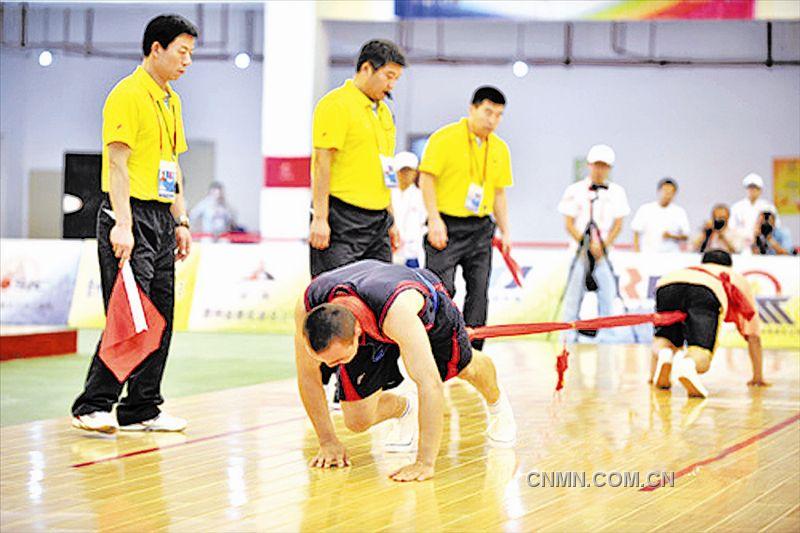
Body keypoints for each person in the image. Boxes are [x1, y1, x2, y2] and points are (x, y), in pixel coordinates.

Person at [71, 14, 197, 434]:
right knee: (130, 314)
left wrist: (181, 219)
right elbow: (117, 163)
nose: (187, 61)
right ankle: (93, 403)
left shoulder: (171, 100)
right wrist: (122, 225)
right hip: (127, 214)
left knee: (160, 314)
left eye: (191, 53)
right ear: (156, 49)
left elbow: (172, 166)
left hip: (161, 217)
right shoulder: (126, 94)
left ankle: (143, 407)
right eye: (181, 52)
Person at [294, 260, 516, 482]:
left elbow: (429, 384)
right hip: (366, 311)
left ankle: (499, 407)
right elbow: (307, 375)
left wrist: (424, 462)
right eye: (327, 362)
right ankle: (404, 409)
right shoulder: (306, 307)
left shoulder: (398, 314)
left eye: (339, 360)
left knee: (466, 369)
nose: (332, 367)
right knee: (357, 420)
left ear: (356, 332)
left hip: (425, 310)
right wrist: (327, 441)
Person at [418, 86, 513, 350]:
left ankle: (473, 353)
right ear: (472, 108)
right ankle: (439, 349)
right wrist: (434, 219)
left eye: (499, 115)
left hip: (481, 228)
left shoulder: (500, 149)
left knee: (479, 292)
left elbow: (499, 194)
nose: (492, 119)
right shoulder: (444, 138)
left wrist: (506, 232)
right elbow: (426, 179)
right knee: (441, 289)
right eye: (488, 112)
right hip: (446, 224)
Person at [309, 39, 406, 278]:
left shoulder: (384, 113)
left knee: (380, 297)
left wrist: (391, 218)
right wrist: (320, 218)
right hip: (341, 219)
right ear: (366, 68)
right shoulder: (336, 105)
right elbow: (322, 164)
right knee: (336, 299)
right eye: (388, 76)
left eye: (396, 79)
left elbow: (385, 170)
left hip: (378, 221)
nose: (392, 85)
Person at [650, 249, 769, 398]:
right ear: (729, 266)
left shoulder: (690, 270)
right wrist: (758, 377)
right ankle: (689, 365)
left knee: (665, 337)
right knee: (701, 351)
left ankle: (664, 354)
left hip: (668, 284)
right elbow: (754, 334)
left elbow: (658, 329)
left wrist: (652, 375)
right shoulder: (736, 277)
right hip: (705, 290)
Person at [557, 144, 630, 343]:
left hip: (604, 254)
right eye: (596, 165)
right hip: (579, 252)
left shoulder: (617, 192)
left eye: (604, 166)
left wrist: (603, 246)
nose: (599, 170)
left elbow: (618, 224)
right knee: (572, 297)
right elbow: (569, 223)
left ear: (609, 168)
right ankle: (568, 338)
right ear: (589, 165)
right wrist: (585, 243)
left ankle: (607, 338)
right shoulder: (575, 190)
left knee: (608, 295)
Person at [631, 177, 690, 253]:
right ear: (659, 191)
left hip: (671, 255)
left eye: (671, 192)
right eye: (665, 190)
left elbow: (686, 235)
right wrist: (637, 252)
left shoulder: (679, 212)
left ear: (674, 194)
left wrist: (672, 236)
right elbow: (636, 231)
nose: (667, 194)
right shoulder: (646, 209)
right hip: (648, 254)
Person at [390, 151, 426, 268]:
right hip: (391, 251)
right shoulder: (388, 196)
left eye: (409, 170)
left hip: (413, 253)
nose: (405, 174)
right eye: (402, 171)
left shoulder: (422, 196)